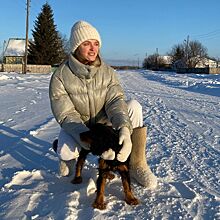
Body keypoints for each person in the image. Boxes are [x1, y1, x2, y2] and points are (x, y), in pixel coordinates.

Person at [49, 20, 157, 189]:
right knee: (65, 151)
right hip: (79, 127)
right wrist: (91, 142)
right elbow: (66, 114)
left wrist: (124, 129)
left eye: (96, 44)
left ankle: (137, 163)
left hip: (103, 123)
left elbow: (115, 101)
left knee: (134, 106)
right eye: (86, 44)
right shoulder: (60, 76)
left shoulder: (108, 72)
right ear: (76, 47)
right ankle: (65, 156)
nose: (93, 48)